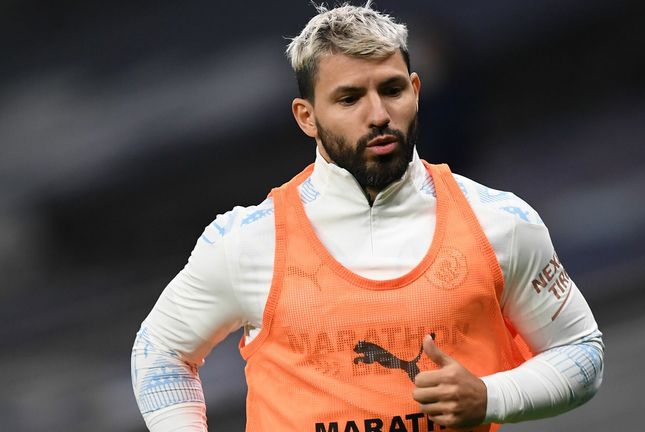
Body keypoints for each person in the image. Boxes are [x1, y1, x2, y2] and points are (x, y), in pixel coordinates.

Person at [131, 3, 604, 431]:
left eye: (392, 89)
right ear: (306, 116)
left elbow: (581, 352)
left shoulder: (499, 222)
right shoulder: (247, 241)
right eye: (349, 98)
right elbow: (160, 353)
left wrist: (491, 396)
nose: (378, 114)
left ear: (416, 91)